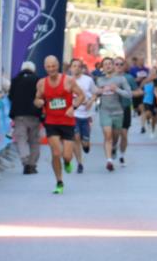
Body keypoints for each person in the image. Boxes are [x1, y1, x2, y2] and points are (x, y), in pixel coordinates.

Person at [34, 55, 84, 194]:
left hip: (67, 122)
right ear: (45, 68)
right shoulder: (42, 83)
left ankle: (67, 162)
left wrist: (72, 107)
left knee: (66, 156)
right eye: (48, 67)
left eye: (53, 66)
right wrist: (38, 102)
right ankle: (59, 182)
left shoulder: (68, 81)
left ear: (58, 66)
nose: (51, 69)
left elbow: (81, 95)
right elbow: (37, 99)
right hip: (51, 122)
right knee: (56, 153)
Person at [94, 56, 133, 172]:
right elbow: (95, 92)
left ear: (112, 65)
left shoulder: (121, 79)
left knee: (115, 136)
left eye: (110, 63)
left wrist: (117, 89)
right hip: (104, 111)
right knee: (108, 135)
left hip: (118, 112)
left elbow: (129, 94)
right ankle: (109, 161)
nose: (108, 66)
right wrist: (99, 91)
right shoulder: (100, 80)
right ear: (102, 67)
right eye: (105, 64)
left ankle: (114, 147)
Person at [9, 61, 43, 174]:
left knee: (21, 139)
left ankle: (25, 159)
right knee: (34, 141)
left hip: (19, 114)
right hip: (35, 114)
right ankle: (32, 164)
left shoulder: (15, 80)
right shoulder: (38, 80)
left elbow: (11, 96)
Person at [70, 58, 95, 173]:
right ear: (70, 68)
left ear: (82, 68)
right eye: (74, 66)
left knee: (84, 141)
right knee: (76, 138)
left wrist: (90, 102)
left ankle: (86, 145)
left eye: (78, 66)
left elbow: (95, 93)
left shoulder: (88, 80)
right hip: (73, 114)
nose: (76, 68)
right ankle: (79, 163)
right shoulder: (67, 81)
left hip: (86, 115)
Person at [113, 58, 138, 165]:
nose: (118, 66)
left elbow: (137, 91)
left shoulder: (129, 78)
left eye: (121, 64)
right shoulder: (108, 78)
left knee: (124, 134)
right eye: (116, 64)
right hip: (112, 109)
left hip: (125, 108)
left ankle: (122, 155)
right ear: (113, 65)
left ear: (124, 66)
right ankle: (113, 146)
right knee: (115, 134)